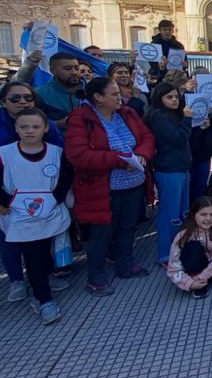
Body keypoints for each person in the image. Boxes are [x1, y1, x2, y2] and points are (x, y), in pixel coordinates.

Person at [0, 81, 64, 300]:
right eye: (15, 98)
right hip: (5, 195)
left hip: (41, 192)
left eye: (27, 98)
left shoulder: (47, 124)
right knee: (10, 238)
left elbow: (61, 157)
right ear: (3, 102)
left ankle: (45, 274)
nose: (22, 102)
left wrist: (58, 193)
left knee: (43, 234)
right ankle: (16, 280)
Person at [65, 76, 156, 296]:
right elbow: (78, 155)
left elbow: (146, 137)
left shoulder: (127, 113)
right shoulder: (81, 119)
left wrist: (142, 154)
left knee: (127, 227)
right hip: (102, 188)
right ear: (98, 97)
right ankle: (96, 276)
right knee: (101, 233)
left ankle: (126, 264)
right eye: (114, 94)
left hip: (133, 183)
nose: (121, 97)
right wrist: (119, 160)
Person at [0, 109, 73, 325]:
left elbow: (64, 180)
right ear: (16, 129)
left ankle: (43, 279)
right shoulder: (3, 154)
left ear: (45, 128)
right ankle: (44, 299)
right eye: (24, 127)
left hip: (49, 212)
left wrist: (53, 201)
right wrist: (6, 202)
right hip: (19, 215)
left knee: (43, 250)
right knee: (32, 254)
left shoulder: (56, 153)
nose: (30, 131)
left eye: (35, 126)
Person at [145, 82, 194, 265]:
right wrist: (188, 119)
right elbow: (178, 138)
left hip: (180, 168)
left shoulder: (172, 115)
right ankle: (166, 254)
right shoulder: (158, 117)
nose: (174, 100)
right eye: (169, 97)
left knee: (181, 214)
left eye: (176, 96)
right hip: (170, 171)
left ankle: (177, 249)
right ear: (160, 99)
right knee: (169, 215)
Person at [165, 197, 212, 297]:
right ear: (193, 215)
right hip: (195, 263)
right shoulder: (184, 234)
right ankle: (196, 281)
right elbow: (173, 267)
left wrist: (204, 275)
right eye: (203, 214)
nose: (208, 218)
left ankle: (203, 279)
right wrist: (188, 283)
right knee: (192, 248)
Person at [28, 51, 84, 129]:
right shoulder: (40, 94)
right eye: (68, 68)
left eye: (77, 68)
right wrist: (59, 124)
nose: (74, 72)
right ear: (53, 70)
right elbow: (31, 125)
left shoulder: (94, 90)